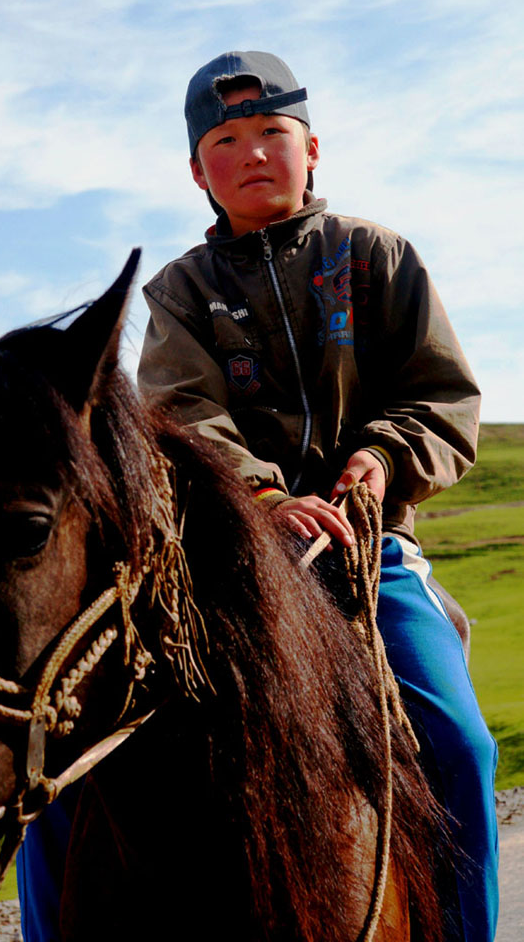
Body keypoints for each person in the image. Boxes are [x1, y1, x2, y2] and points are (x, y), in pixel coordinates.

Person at [136, 50, 499, 941]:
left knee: (461, 749)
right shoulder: (179, 293)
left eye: (273, 132)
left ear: (313, 149)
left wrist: (382, 458)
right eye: (227, 139)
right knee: (79, 759)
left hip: (371, 553)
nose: (254, 152)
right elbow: (178, 417)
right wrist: (259, 497)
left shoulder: (375, 257)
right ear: (196, 170)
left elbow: (443, 394)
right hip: (229, 563)